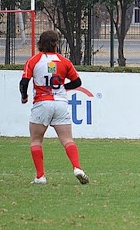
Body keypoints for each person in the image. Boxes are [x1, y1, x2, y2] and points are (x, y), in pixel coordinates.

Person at [19, 30, 89, 185]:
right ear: (56, 43)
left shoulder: (34, 61)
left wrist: (24, 96)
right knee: (67, 139)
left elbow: (24, 82)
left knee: (36, 139)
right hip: (60, 103)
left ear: (40, 43)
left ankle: (40, 177)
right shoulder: (64, 61)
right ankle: (77, 168)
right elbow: (77, 82)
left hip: (42, 103)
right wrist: (63, 87)